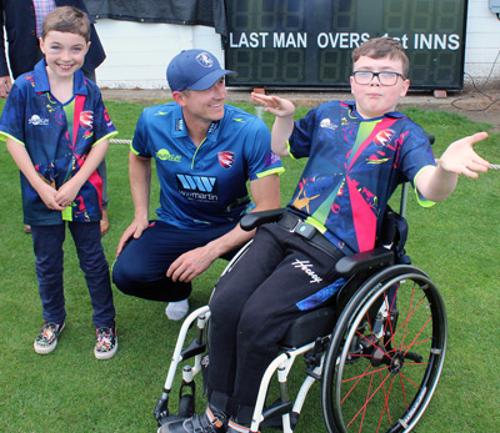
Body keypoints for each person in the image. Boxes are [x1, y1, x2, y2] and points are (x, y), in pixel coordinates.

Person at [160, 37, 492, 433]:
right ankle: (215, 413)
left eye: (387, 75)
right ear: (352, 81)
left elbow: (429, 186)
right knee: (226, 302)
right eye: (366, 73)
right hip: (283, 229)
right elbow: (282, 147)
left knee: (258, 317)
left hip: (332, 250)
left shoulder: (407, 136)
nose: (375, 81)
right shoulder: (328, 114)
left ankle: (242, 422)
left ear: (403, 86)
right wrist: (285, 117)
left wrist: (446, 170)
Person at [112, 49, 283, 321]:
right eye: (206, 87)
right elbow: (139, 157)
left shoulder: (250, 129)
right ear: (180, 97)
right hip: (176, 223)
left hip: (234, 224)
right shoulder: (152, 121)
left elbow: (268, 207)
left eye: (221, 82)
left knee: (274, 280)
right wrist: (140, 213)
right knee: (128, 274)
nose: (220, 94)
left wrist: (209, 251)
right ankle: (178, 289)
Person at [0, 6, 118, 359]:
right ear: (41, 44)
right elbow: (13, 140)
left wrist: (76, 183)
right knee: (47, 262)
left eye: (75, 49)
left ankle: (105, 324)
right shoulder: (25, 87)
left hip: (83, 195)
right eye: (56, 47)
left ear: (87, 49)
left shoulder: (89, 90)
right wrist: (41, 187)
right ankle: (53, 319)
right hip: (41, 198)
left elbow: (101, 141)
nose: (66, 57)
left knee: (93, 261)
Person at [0, 0, 110, 235]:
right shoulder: (24, 86)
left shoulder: (88, 84)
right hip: (28, 52)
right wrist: (1, 69)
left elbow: (101, 140)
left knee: (87, 132)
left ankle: (97, 205)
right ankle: (40, 207)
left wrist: (73, 47)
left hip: (77, 44)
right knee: (34, 136)